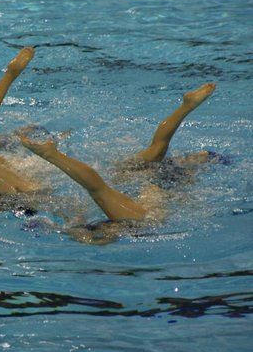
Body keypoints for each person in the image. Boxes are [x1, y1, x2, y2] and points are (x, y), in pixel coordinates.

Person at [20, 82, 216, 243]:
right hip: (138, 200)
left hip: (135, 190)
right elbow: (93, 234)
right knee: (155, 151)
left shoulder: (134, 214)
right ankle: (185, 106)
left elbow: (92, 234)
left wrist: (56, 228)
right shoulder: (135, 218)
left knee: (155, 151)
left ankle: (186, 107)